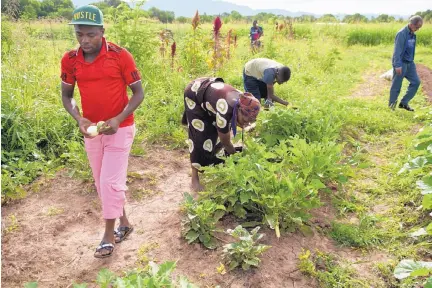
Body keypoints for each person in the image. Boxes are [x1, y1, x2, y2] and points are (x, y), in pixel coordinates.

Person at [60, 5, 144, 258]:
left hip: (121, 128)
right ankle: (125, 223)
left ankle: (108, 235)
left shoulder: (120, 55)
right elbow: (67, 96)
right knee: (103, 182)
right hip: (93, 131)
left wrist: (118, 118)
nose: (84, 40)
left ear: (102, 31)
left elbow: (138, 93)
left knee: (109, 182)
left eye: (90, 34)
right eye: (79, 34)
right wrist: (79, 119)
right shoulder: (70, 59)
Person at [182, 77, 260, 192]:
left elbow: (227, 128)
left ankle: (211, 162)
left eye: (250, 121)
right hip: (194, 95)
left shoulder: (241, 102)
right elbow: (226, 142)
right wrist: (236, 158)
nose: (247, 123)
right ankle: (194, 178)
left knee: (215, 133)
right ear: (238, 111)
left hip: (211, 96)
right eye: (245, 119)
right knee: (199, 137)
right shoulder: (227, 109)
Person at [389, 15, 423, 112]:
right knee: (396, 86)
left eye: (419, 28)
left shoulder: (412, 34)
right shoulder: (402, 34)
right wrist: (398, 65)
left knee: (416, 82)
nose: (417, 30)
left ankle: (404, 103)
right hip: (401, 63)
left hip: (410, 63)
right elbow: (397, 51)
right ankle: (391, 107)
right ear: (411, 24)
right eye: (417, 27)